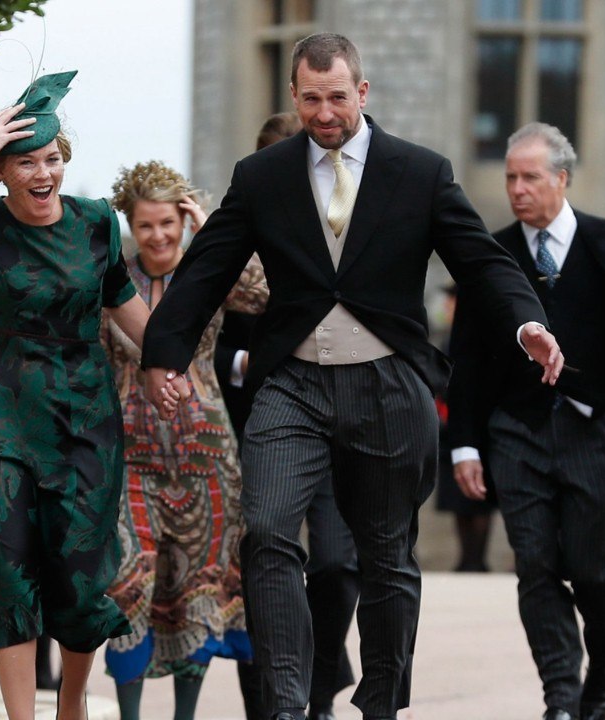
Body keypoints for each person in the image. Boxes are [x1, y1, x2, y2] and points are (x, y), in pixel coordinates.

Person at [141, 34, 561, 720]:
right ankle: (285, 705)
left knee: (386, 557)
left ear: (362, 93)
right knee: (268, 532)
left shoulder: (420, 172)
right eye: (311, 98)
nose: (325, 112)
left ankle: (380, 705)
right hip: (292, 385)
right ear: (295, 97)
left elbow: (480, 261)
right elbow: (207, 269)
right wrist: (164, 352)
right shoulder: (263, 176)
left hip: (388, 385)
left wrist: (527, 325)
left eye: (338, 97)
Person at [0, 70, 153, 720]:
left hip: (83, 417)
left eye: (52, 158)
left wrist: (181, 327)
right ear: (2, 173)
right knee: (6, 562)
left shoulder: (95, 224)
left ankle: (69, 701)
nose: (44, 172)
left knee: (82, 572)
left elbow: (139, 321)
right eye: (27, 161)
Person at [448, 121, 605, 720]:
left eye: (531, 177)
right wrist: (464, 444)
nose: (518, 189)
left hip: (596, 429)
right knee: (536, 566)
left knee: (594, 570)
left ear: (563, 179)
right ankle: (562, 696)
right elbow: (467, 354)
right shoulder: (490, 253)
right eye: (510, 178)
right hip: (516, 432)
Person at [101, 161, 260, 720]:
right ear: (130, 225)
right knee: (128, 587)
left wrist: (210, 229)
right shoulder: (111, 280)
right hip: (131, 459)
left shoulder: (207, 271)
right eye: (146, 226)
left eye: (169, 223)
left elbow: (266, 294)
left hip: (209, 458)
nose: (160, 236)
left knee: (198, 589)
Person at [224, 111, 361, 720]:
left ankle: (322, 687)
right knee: (269, 553)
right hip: (266, 420)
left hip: (346, 422)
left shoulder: (345, 234)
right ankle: (276, 703)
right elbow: (214, 334)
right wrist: (254, 359)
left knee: (335, 565)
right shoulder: (239, 241)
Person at [432, 283, 497, 573]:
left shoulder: (480, 334)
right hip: (450, 429)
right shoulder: (446, 338)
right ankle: (466, 557)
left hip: (480, 426)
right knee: (456, 497)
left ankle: (477, 558)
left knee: (480, 498)